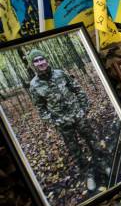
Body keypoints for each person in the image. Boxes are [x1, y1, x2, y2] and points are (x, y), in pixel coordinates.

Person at [28, 49, 109, 192]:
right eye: (36, 61)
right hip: (63, 124)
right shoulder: (34, 86)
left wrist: (84, 108)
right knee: (76, 151)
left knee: (92, 140)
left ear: (46, 60)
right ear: (32, 65)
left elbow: (78, 90)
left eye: (42, 59)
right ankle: (88, 174)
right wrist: (54, 121)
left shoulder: (60, 74)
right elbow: (41, 109)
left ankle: (102, 165)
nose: (40, 63)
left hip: (78, 116)